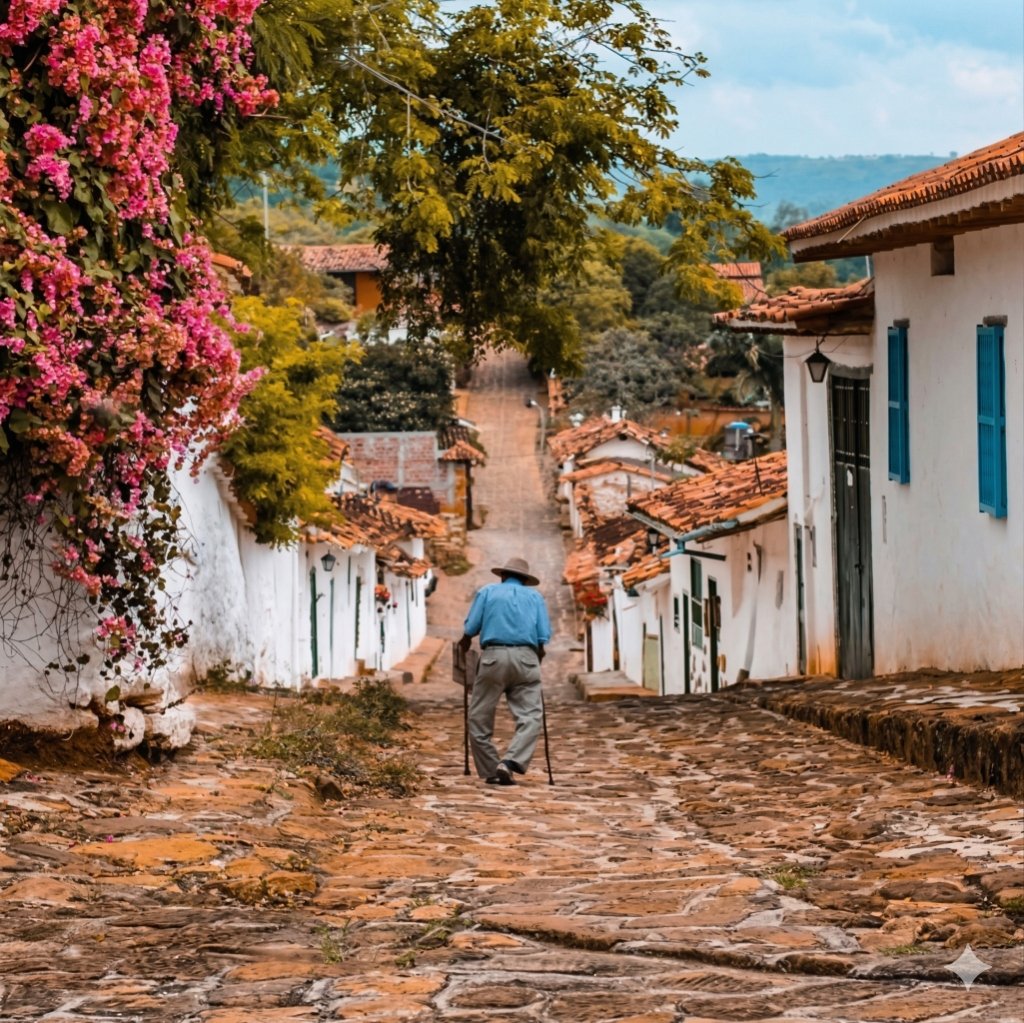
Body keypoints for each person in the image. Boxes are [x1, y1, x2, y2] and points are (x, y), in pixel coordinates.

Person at [458, 556, 551, 786]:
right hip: (526, 659)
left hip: (493, 657)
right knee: (530, 717)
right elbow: (542, 636)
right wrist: (536, 657)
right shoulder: (535, 597)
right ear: (525, 580)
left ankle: (490, 768)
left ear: (502, 576)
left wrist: (465, 642)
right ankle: (509, 763)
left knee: (479, 716)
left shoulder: (488, 592)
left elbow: (471, 628)